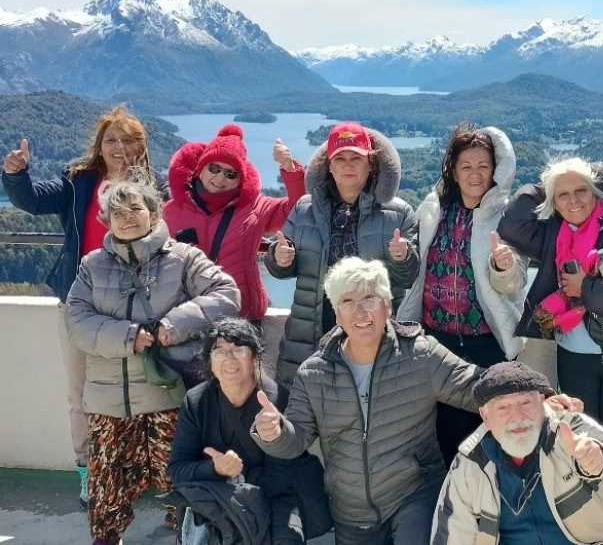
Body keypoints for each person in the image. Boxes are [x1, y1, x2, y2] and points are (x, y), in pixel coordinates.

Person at [251, 257, 580, 545]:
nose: (361, 311)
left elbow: (477, 385)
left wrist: (537, 396)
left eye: (370, 298)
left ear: (388, 306)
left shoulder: (420, 355)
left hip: (414, 495)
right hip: (349, 508)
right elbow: (294, 441)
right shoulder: (314, 373)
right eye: (348, 301)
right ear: (336, 313)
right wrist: (273, 432)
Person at [65, 181, 240, 545]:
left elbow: (226, 294)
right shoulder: (92, 266)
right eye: (118, 213)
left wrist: (171, 327)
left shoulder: (183, 258)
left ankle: (187, 536)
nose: (127, 219)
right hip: (108, 401)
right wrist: (131, 336)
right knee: (106, 486)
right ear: (106, 220)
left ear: (154, 213)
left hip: (169, 394)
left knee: (180, 481)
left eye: (135, 210)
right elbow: (77, 321)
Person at [497, 157, 603, 515]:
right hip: (574, 352)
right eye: (563, 195)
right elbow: (513, 222)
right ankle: (585, 524)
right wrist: (555, 176)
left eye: (582, 191)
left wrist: (586, 289)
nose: (573, 201)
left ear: (596, 195)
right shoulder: (551, 233)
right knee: (578, 442)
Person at [1, 105, 156, 506]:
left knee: (135, 393)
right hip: (79, 303)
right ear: (99, 146)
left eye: (127, 140)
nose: (118, 147)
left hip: (132, 308)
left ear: (141, 146)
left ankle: (130, 469)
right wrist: (16, 174)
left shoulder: (155, 190)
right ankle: (89, 472)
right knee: (80, 393)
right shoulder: (79, 182)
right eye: (111, 140)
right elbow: (33, 201)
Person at [397, 124, 526, 466]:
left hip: (486, 343)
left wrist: (504, 267)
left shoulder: (507, 214)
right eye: (466, 166)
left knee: (489, 439)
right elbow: (417, 266)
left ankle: (486, 513)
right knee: (443, 437)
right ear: (453, 171)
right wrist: (402, 255)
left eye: (483, 166)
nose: (475, 174)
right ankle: (448, 512)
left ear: (496, 170)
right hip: (436, 343)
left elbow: (515, 282)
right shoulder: (434, 209)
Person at [263, 122, 419, 385]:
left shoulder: (398, 213)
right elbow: (281, 264)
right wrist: (278, 259)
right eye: (341, 158)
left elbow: (408, 278)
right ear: (329, 166)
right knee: (304, 411)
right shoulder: (304, 209)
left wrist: (402, 257)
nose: (348, 165)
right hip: (312, 329)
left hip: (372, 331)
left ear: (370, 165)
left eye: (356, 158)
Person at [431, 361, 603, 545]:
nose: (518, 417)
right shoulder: (470, 462)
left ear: (542, 401)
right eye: (503, 407)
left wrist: (594, 457)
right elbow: (453, 533)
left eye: (526, 403)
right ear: (485, 415)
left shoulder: (566, 428)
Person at [168, 317, 332, 544]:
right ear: (209, 360)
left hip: (276, 499)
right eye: (219, 350)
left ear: (254, 356)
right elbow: (178, 469)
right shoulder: (197, 402)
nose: (228, 357)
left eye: (238, 348)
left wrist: (239, 478)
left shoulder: (276, 399)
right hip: (218, 497)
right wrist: (215, 468)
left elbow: (281, 477)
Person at [163, 124, 306, 323]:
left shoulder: (255, 208)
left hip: (242, 315)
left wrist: (290, 170)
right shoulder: (172, 211)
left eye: (231, 174)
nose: (220, 177)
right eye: (214, 168)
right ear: (200, 169)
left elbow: (297, 209)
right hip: (189, 315)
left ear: (240, 179)